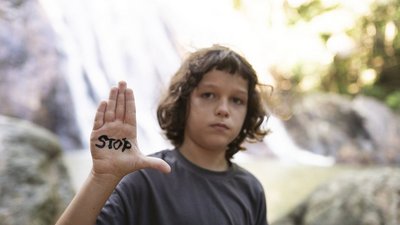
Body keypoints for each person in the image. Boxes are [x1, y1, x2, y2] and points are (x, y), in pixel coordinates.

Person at [56, 45, 270, 225]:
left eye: (237, 100)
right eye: (208, 95)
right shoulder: (144, 178)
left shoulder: (251, 190)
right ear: (183, 102)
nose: (224, 109)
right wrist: (101, 178)